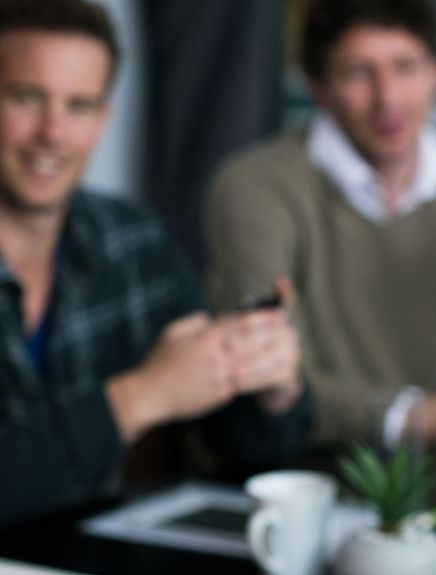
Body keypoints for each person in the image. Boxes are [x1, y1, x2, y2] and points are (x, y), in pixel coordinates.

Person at [205, 0, 436, 461]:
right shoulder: (255, 185)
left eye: (406, 66)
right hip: (285, 470)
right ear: (318, 88)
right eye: (358, 73)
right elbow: (274, 381)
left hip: (411, 474)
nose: (388, 98)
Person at [0, 0, 309, 527]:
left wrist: (270, 387)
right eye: (28, 98)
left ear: (103, 119)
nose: (53, 134)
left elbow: (242, 447)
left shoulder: (133, 239)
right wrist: (141, 396)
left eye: (80, 106)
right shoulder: (254, 185)